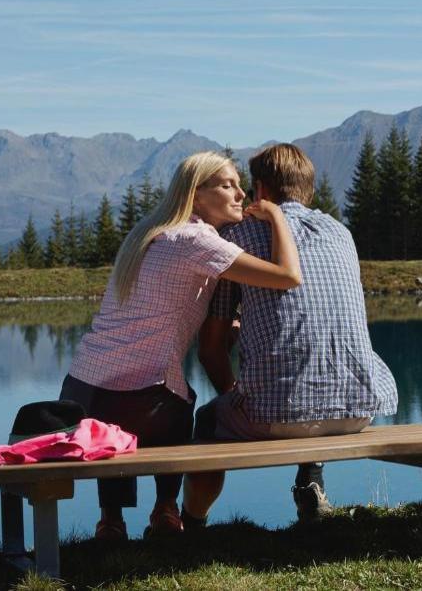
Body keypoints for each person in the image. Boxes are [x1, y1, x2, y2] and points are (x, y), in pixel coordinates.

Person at [60, 151, 302, 541]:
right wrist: (276, 216)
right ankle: (166, 510)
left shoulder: (148, 234)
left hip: (80, 392)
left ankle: (111, 520)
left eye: (241, 185)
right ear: (196, 193)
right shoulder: (197, 239)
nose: (242, 194)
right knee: (178, 396)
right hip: (142, 403)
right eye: (228, 185)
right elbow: (287, 276)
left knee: (123, 403)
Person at [182, 143, 397, 527]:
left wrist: (233, 395)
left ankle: (192, 523)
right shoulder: (340, 232)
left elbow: (211, 350)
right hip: (360, 408)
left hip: (277, 414)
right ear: (308, 188)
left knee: (207, 418)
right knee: (313, 376)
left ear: (262, 190)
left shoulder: (237, 237)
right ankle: (311, 484)